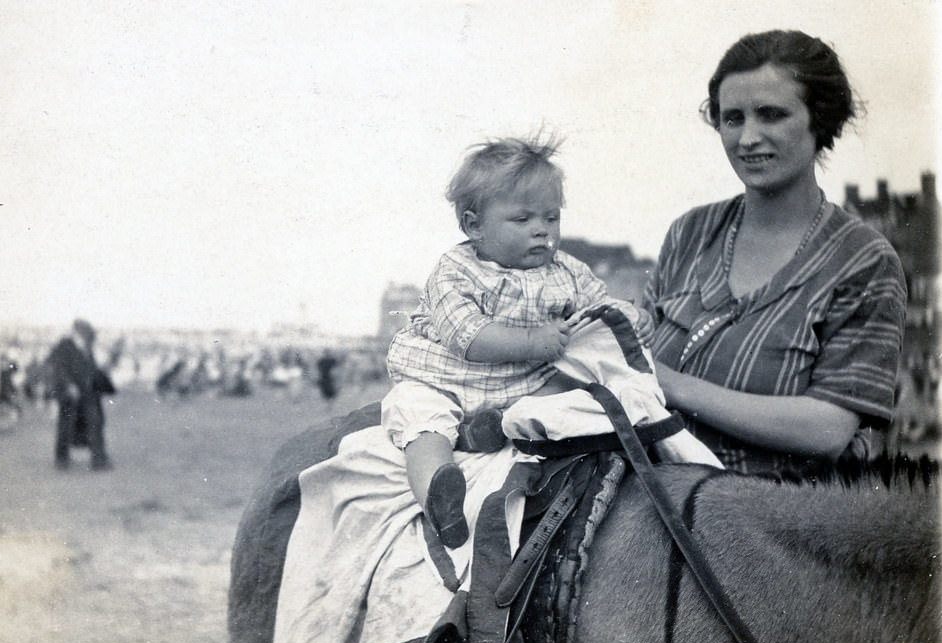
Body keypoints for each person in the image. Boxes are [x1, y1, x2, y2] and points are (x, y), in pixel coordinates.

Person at [642, 30, 907, 474]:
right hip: (651, 502)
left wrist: (673, 387)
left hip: (773, 526)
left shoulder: (865, 262)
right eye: (732, 118)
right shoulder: (691, 232)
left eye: (771, 115)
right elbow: (635, 359)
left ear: (819, 120)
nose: (747, 138)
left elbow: (829, 429)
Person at [382, 136, 653, 548]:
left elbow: (599, 307)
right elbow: (467, 336)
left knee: (578, 381)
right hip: (446, 377)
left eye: (551, 217)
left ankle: (490, 431)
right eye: (523, 219)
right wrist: (533, 341)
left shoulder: (567, 270)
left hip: (523, 384)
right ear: (475, 226)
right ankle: (439, 492)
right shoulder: (455, 270)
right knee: (419, 417)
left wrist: (631, 316)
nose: (542, 230)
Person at [46, 318, 117, 470]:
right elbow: (59, 368)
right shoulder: (64, 346)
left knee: (95, 423)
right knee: (66, 427)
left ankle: (99, 460)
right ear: (77, 333)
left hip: (87, 394)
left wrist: (102, 382)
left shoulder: (87, 348)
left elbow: (92, 369)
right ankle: (62, 460)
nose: (86, 338)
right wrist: (69, 385)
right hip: (68, 395)